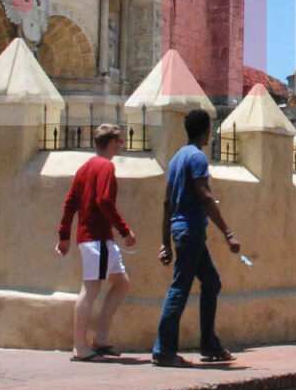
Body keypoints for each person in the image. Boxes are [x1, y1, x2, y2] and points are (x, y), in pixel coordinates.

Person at [152, 108, 241, 366]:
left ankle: (209, 344)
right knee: (179, 288)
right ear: (206, 131)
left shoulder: (176, 159)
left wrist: (166, 243)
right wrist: (228, 233)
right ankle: (164, 350)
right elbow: (205, 196)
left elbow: (167, 203)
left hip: (182, 231)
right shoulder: (197, 157)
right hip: (191, 231)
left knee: (211, 282)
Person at [56, 124, 136, 362]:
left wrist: (64, 236)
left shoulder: (84, 168)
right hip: (96, 238)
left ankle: (100, 338)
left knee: (121, 284)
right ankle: (80, 346)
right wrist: (125, 230)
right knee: (91, 288)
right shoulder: (106, 166)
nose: (122, 144)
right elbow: (104, 200)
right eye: (120, 141)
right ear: (111, 142)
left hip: (97, 239)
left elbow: (70, 203)